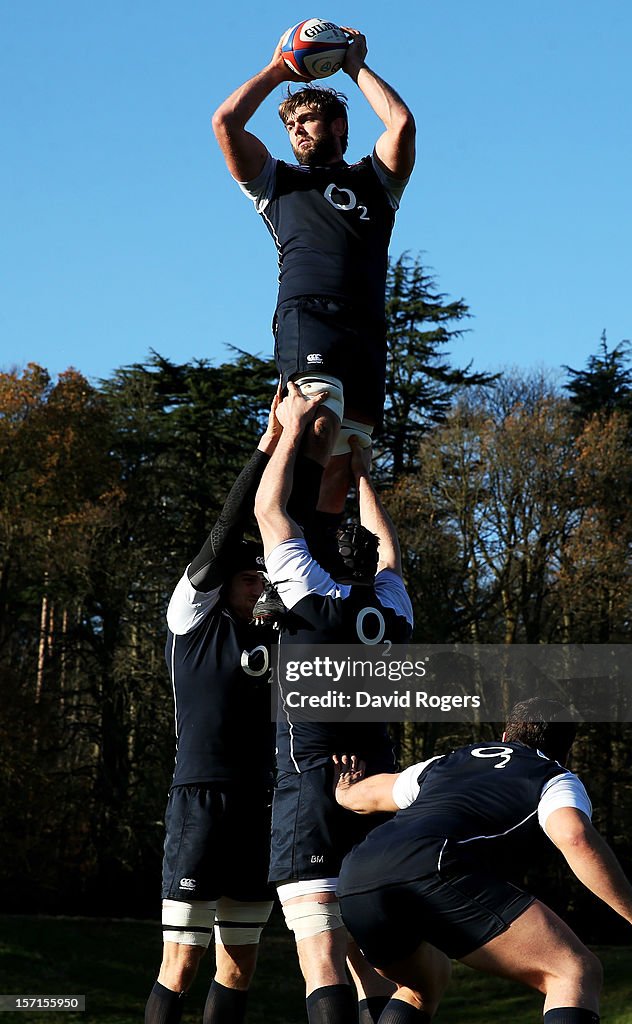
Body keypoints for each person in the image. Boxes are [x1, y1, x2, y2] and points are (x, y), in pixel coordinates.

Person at [333, 697, 632, 1024]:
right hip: (434, 866)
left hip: (357, 877)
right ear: (566, 752)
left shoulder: (448, 761)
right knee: (574, 970)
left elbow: (363, 797)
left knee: (421, 985)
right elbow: (574, 837)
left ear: (506, 736)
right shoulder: (553, 776)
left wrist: (343, 789)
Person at [252, 382, 413, 1024]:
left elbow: (269, 512)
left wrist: (291, 431)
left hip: (313, 789)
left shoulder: (308, 594)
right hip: (376, 789)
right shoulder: (391, 611)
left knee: (323, 962)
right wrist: (364, 476)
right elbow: (390, 551)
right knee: (373, 961)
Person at [211, 25, 416, 513]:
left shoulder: (376, 181)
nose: (297, 129)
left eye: (307, 119)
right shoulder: (276, 183)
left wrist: (354, 66)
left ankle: (320, 562)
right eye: (291, 125)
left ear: (340, 125)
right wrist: (280, 68)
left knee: (346, 458)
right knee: (318, 418)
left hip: (365, 327)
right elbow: (226, 123)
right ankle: (288, 547)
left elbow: (402, 126)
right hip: (310, 314)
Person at [145, 401, 282, 1024]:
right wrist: (268, 446)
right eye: (250, 576)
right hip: (199, 799)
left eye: (262, 576)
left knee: (239, 965)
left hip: (260, 805)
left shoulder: (273, 636)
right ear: (223, 581)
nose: (259, 584)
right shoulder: (191, 617)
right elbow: (228, 529)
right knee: (182, 962)